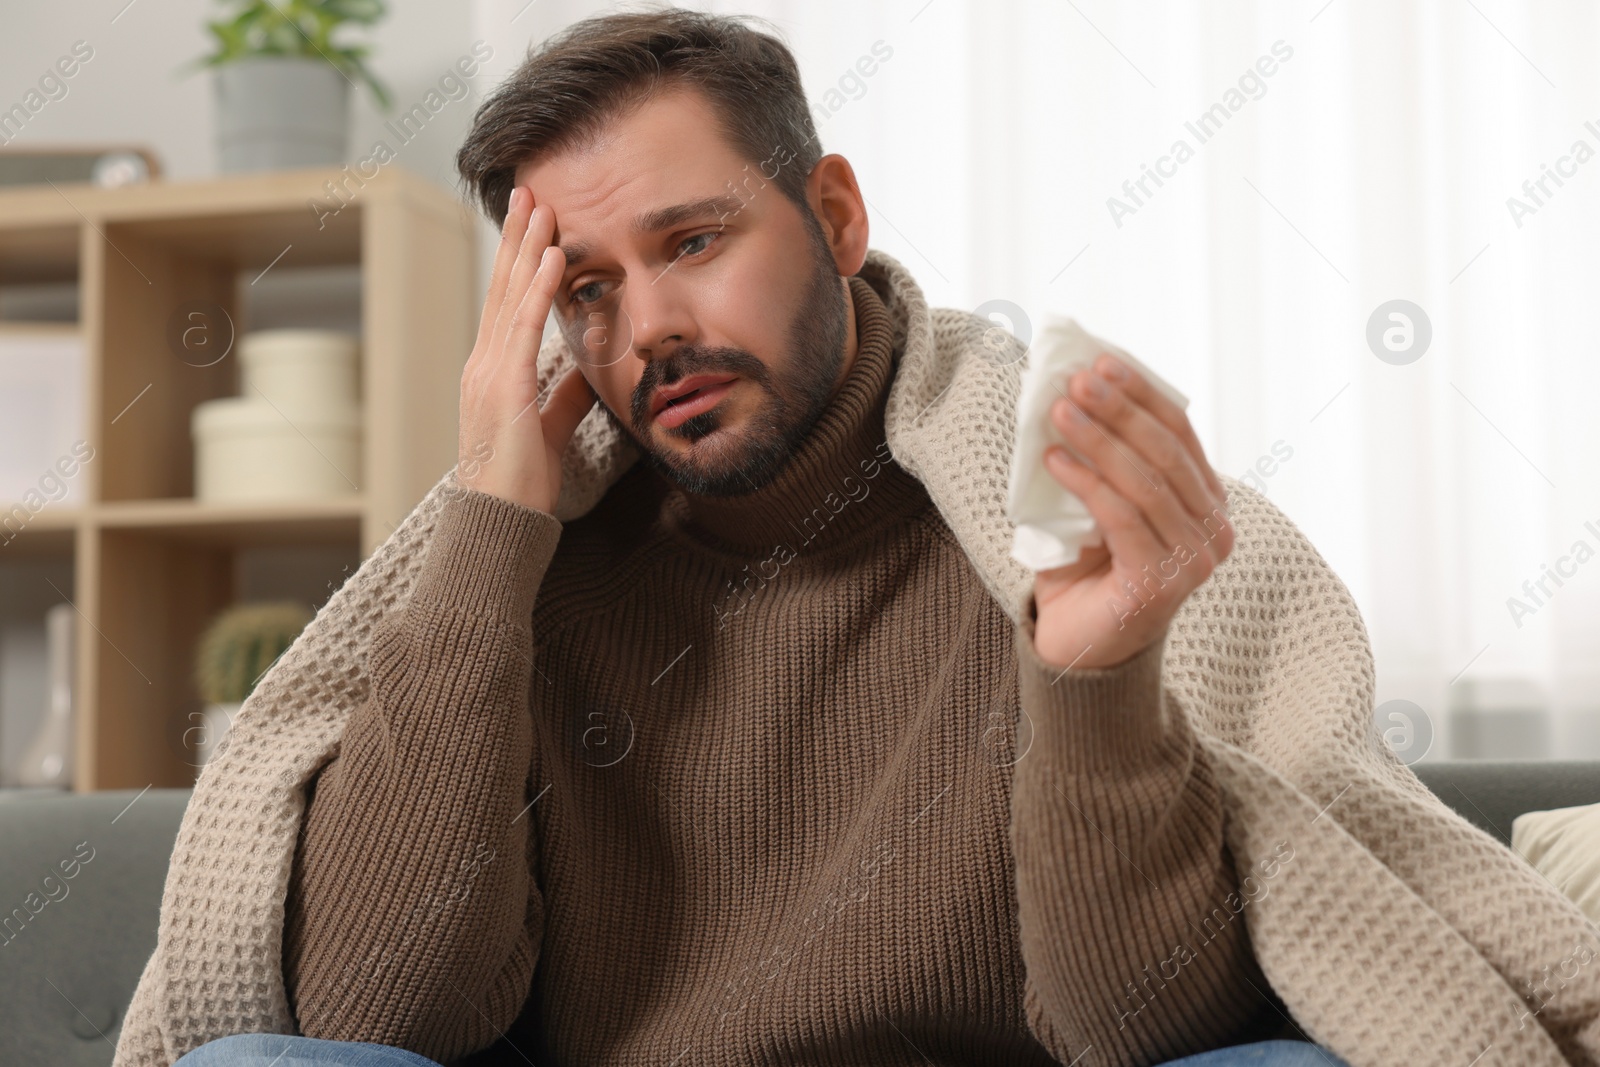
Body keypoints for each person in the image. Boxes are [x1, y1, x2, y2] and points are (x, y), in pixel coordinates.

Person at [164, 10, 1369, 1067]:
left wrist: (1094, 680)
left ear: (834, 217)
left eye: (691, 242)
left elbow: (1148, 1033)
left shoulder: (1055, 528)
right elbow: (375, 1014)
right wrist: (487, 525)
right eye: (586, 290)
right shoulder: (531, 566)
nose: (649, 329)